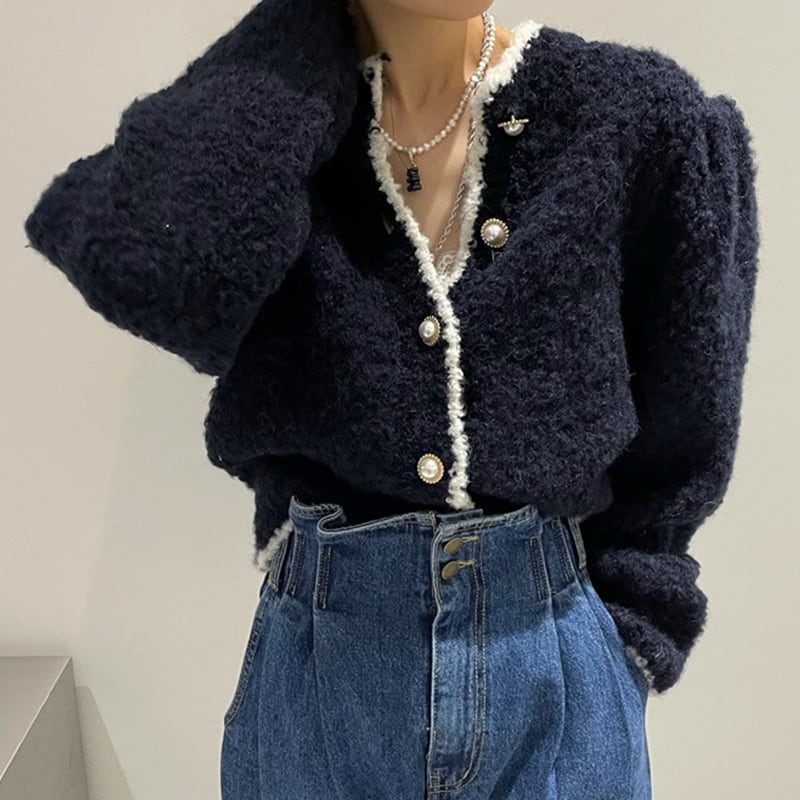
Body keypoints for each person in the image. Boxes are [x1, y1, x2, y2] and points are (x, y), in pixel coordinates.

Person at [22, 0, 760, 797]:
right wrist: (300, 38)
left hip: (554, 671)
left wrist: (629, 646)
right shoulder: (276, 133)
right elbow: (148, 267)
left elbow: (688, 424)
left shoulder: (634, 119)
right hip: (318, 681)